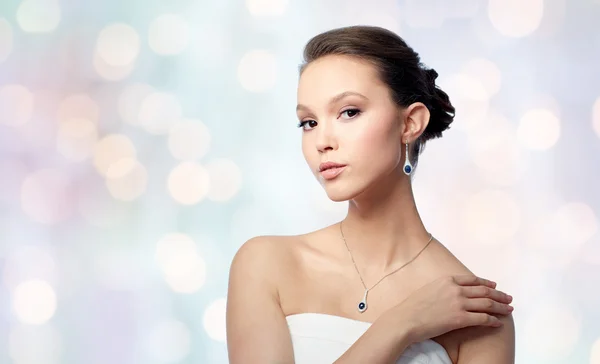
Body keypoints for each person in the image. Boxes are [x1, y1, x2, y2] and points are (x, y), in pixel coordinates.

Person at [226, 25, 515, 364]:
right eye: (309, 122)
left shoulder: (475, 311)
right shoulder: (265, 264)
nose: (322, 141)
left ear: (410, 123)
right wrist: (401, 324)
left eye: (349, 112)